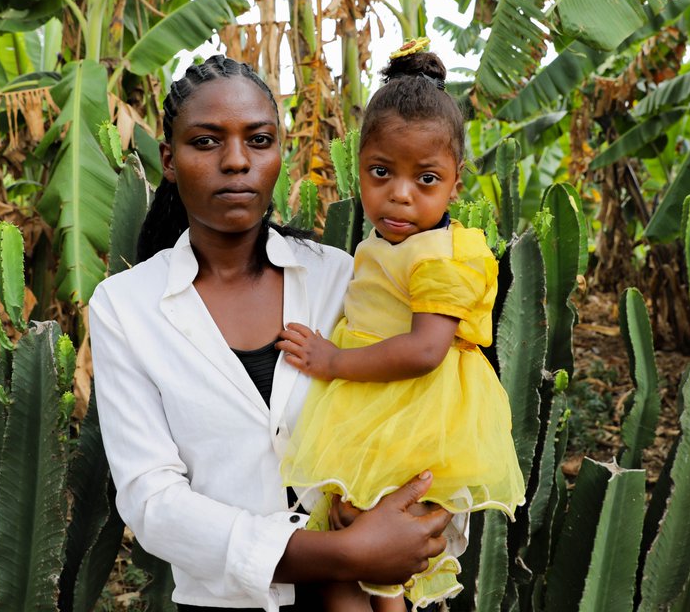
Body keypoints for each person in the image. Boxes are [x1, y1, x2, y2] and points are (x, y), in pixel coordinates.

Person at [89, 55, 452, 612]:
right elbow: (153, 502)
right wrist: (344, 554)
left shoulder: (344, 278)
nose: (236, 162)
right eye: (206, 142)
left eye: (259, 141)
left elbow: (430, 407)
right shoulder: (126, 306)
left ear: (280, 153)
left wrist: (411, 524)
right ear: (168, 159)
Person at [277, 41, 526, 611]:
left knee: (373, 563)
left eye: (427, 179)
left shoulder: (441, 254)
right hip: (371, 415)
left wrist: (331, 361)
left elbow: (425, 350)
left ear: (456, 183)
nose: (400, 194)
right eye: (381, 172)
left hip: (414, 417)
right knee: (351, 559)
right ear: (358, 167)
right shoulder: (379, 244)